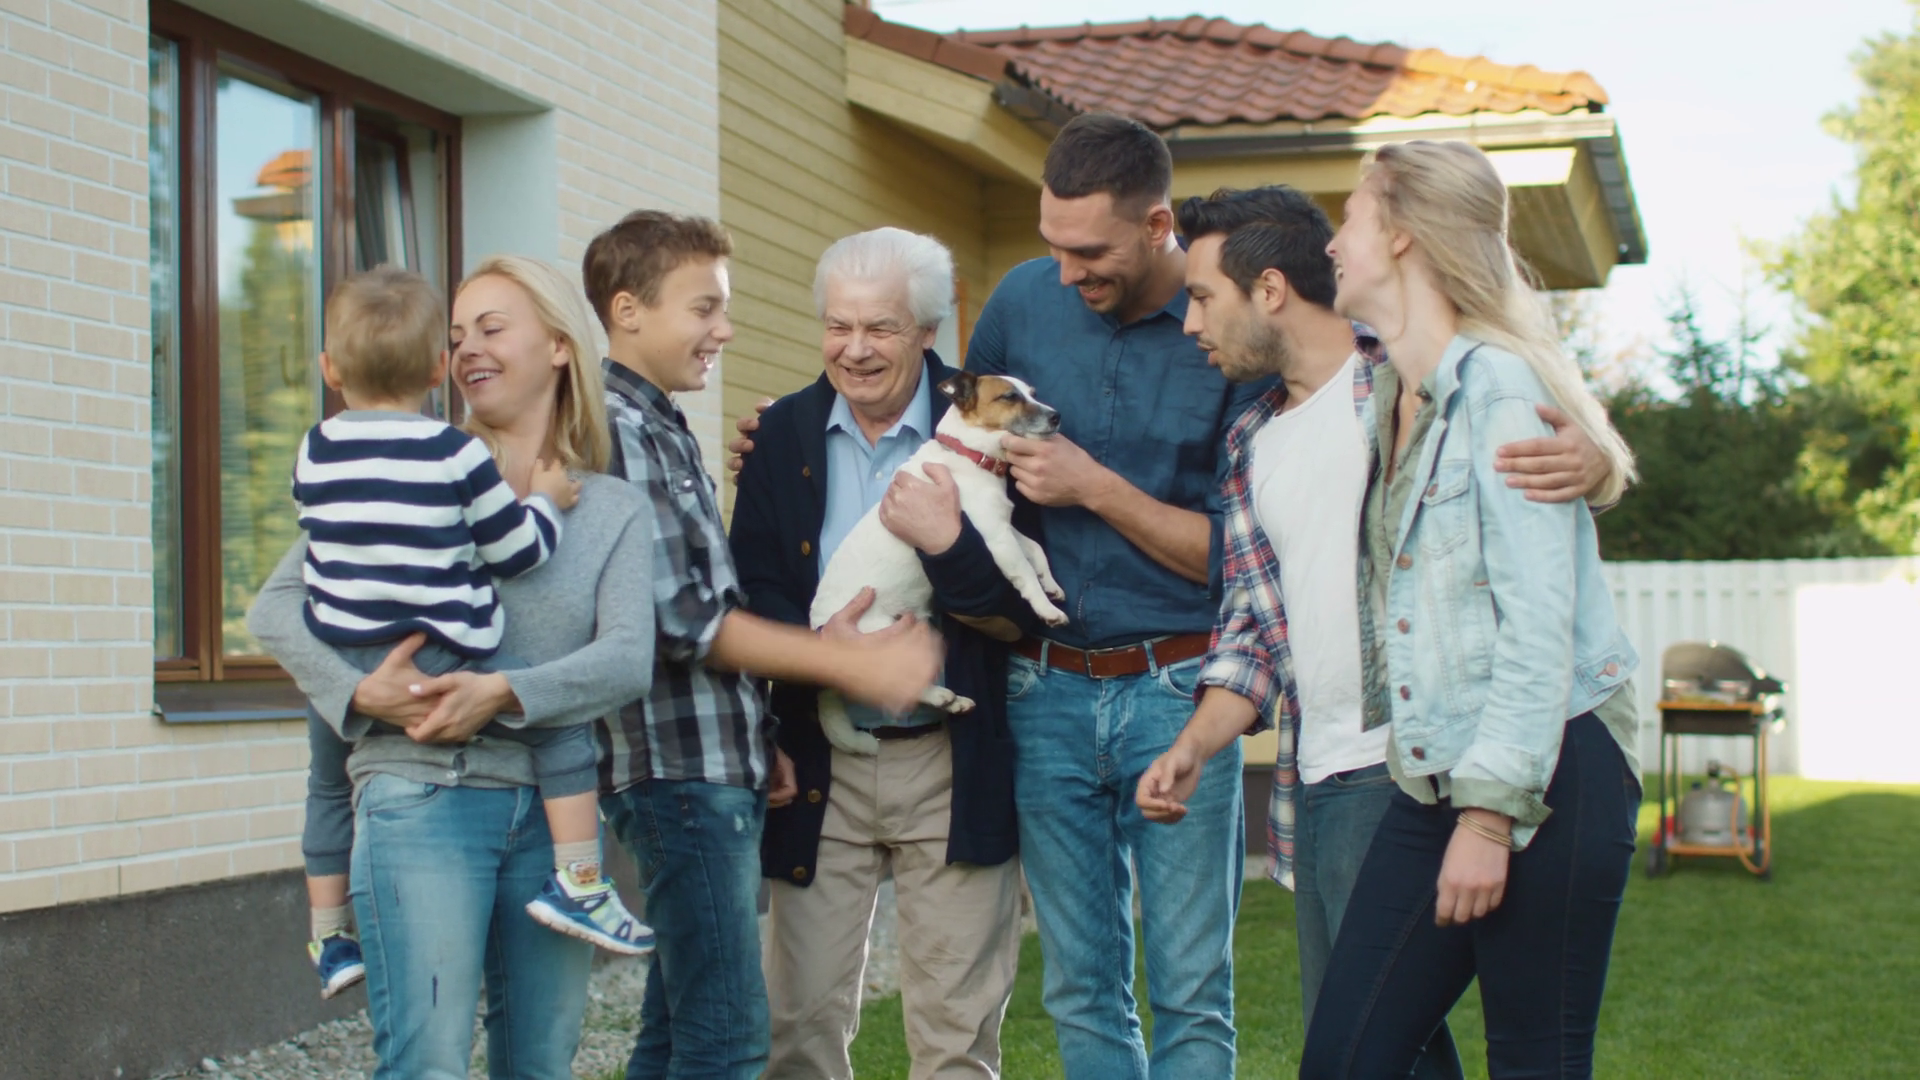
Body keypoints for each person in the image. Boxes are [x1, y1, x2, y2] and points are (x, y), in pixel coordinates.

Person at [1134, 186, 1615, 1077]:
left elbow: (1530, 561)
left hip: (1406, 766)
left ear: (1268, 289)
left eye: (1201, 297)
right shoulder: (1251, 442)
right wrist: (1194, 745)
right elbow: (1254, 628)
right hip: (1314, 778)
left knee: (1398, 1051)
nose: (1190, 323)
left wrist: (1597, 458)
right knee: (1365, 1047)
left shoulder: (1410, 383)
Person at [248, 254, 656, 1078]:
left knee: (538, 1065)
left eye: (491, 328)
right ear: (440, 363)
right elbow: (275, 610)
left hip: (550, 824)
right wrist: (359, 691)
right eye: (458, 333)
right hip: (418, 799)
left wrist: (502, 692)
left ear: (559, 347)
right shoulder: (402, 480)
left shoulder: (611, 508)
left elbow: (626, 660)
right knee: (427, 1064)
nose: (469, 347)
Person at [1298, 140, 1642, 1079]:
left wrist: (1489, 822)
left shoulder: (1498, 388)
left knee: (1534, 1060)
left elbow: (1537, 622)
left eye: (1351, 217)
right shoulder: (1390, 390)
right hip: (1439, 772)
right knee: (1346, 1056)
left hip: (1556, 760)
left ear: (1403, 235)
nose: (1333, 242)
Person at [582, 210, 945, 1080]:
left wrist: (760, 733)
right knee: (729, 1040)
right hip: (679, 775)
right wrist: (845, 659)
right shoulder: (621, 430)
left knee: (676, 1033)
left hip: (712, 763)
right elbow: (686, 619)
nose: (725, 330)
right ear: (628, 310)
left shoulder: (661, 425)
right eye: (704, 308)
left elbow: (716, 596)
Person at [728, 228, 1031, 1080]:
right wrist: (812, 665)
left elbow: (1023, 611)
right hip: (818, 759)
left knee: (956, 1038)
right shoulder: (780, 435)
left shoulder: (991, 425)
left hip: (951, 760)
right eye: (838, 326)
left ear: (928, 331)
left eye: (881, 328)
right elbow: (752, 589)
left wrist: (948, 546)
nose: (854, 350)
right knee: (798, 1028)